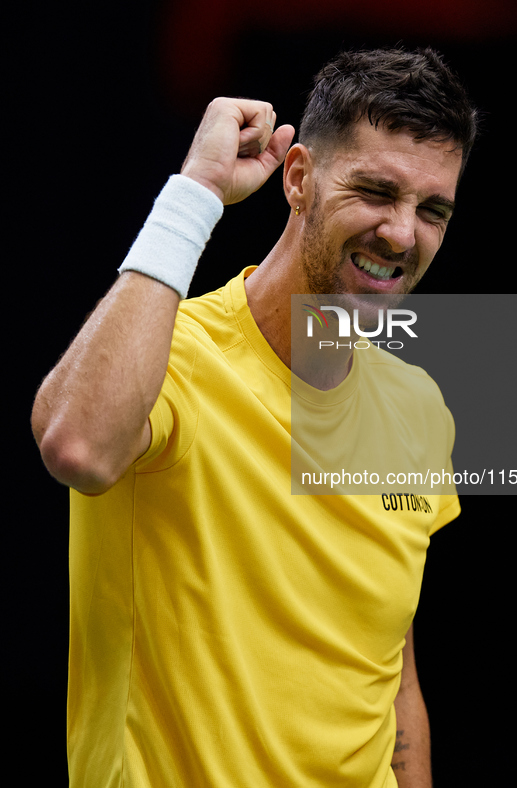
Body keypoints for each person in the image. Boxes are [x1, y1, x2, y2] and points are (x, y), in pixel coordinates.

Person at [32, 47, 478, 788]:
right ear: (297, 178)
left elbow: (389, 672)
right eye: (374, 191)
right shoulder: (167, 356)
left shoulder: (418, 407)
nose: (401, 236)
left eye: (431, 210)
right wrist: (195, 192)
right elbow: (77, 446)